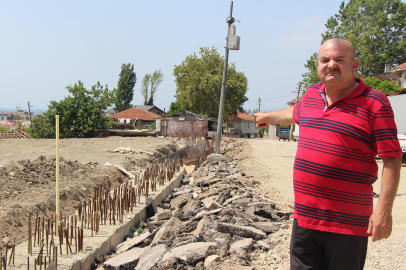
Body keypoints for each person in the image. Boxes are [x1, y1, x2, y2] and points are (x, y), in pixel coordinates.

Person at [254, 38, 401, 270]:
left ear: (354, 66)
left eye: (339, 60)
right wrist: (267, 116)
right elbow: (294, 113)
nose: (331, 65)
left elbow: (392, 158)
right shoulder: (312, 94)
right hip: (305, 219)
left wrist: (383, 211)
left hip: (347, 225)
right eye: (325, 60)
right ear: (318, 65)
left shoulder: (374, 103)